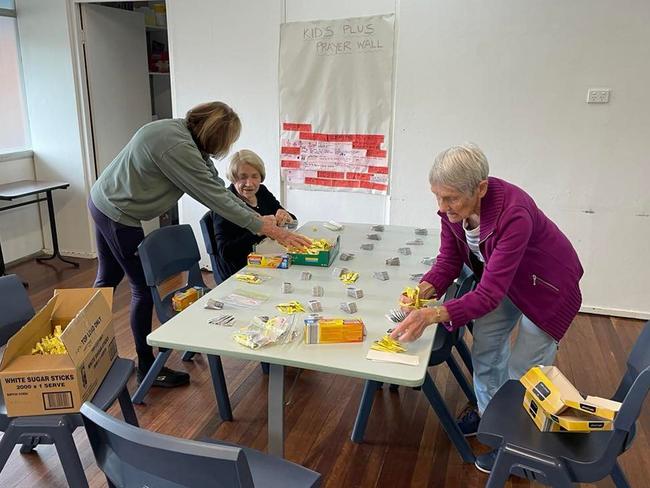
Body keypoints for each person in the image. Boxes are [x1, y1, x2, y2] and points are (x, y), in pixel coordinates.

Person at [389, 143, 583, 473]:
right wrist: (423, 290)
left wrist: (434, 313)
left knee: (525, 370)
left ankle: (519, 451)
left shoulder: (514, 212)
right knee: (486, 350)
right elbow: (449, 260)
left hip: (548, 287)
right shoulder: (453, 209)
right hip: (505, 278)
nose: (442, 206)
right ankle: (492, 419)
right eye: (436, 196)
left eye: (449, 198)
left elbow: (489, 295)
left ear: (480, 188)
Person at [88, 101, 311, 389]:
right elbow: (214, 197)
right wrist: (264, 227)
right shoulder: (176, 147)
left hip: (103, 199)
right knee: (142, 288)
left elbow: (217, 186)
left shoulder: (183, 135)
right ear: (214, 136)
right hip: (117, 211)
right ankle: (145, 367)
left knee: (108, 279)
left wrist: (260, 220)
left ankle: (89, 355)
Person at [211, 149, 296, 282]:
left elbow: (293, 221)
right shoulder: (225, 203)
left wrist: (286, 216)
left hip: (270, 260)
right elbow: (226, 253)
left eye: (254, 176)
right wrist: (258, 229)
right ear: (233, 178)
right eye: (242, 177)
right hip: (243, 272)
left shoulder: (261, 192)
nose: (249, 183)